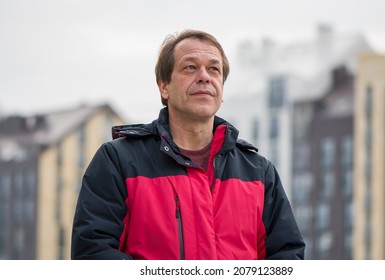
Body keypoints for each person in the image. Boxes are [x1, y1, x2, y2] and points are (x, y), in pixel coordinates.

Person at [71, 29, 305, 260]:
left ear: (221, 89)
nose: (205, 76)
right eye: (190, 67)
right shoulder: (118, 161)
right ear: (164, 86)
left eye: (214, 69)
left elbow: (287, 258)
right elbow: (94, 254)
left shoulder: (259, 173)